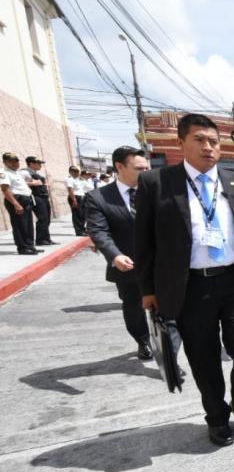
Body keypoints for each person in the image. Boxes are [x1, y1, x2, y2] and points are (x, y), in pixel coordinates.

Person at [135, 113, 234, 447]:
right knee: (204, 359)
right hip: (190, 287)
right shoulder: (157, 184)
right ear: (181, 142)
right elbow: (144, 243)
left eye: (214, 141)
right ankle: (216, 417)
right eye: (199, 140)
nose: (208, 147)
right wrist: (148, 291)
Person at [85, 146, 153, 360]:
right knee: (134, 308)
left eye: (147, 168)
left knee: (170, 311)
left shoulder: (156, 190)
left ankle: (168, 355)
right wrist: (114, 255)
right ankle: (142, 340)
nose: (145, 172)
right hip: (128, 264)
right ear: (119, 167)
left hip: (160, 263)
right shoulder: (98, 197)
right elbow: (98, 230)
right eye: (139, 169)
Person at [1, 152, 40, 255]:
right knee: (19, 225)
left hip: (26, 200)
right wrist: (16, 204)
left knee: (28, 225)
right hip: (17, 200)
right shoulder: (4, 173)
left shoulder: (17, 172)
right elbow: (5, 189)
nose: (15, 163)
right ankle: (23, 248)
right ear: (5, 162)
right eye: (11, 161)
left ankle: (30, 245)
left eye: (16, 161)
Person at [25, 156, 55, 246]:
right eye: (38, 163)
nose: (40, 165)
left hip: (43, 197)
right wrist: (34, 183)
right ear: (31, 163)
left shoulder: (35, 173)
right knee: (42, 218)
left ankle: (46, 238)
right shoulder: (25, 172)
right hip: (36, 197)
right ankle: (40, 240)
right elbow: (23, 183)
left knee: (47, 219)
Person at [65, 165, 87, 236]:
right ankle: (79, 231)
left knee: (82, 214)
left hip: (81, 197)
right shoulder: (69, 179)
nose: (77, 173)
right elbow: (70, 189)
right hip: (75, 197)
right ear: (71, 172)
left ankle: (83, 229)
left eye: (78, 171)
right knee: (77, 215)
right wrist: (74, 200)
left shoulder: (77, 179)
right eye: (75, 172)